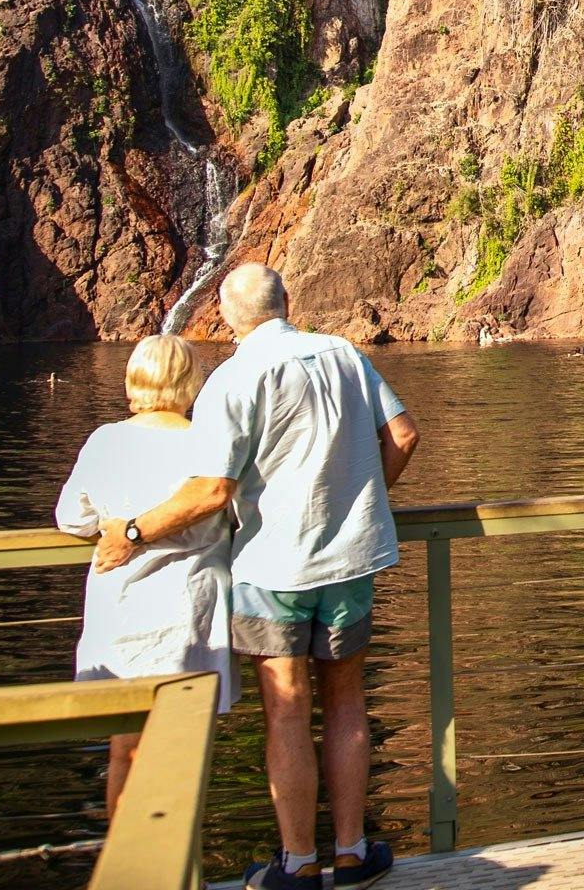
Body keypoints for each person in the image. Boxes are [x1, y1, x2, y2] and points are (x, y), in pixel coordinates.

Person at [95, 264, 420, 889]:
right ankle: (352, 855)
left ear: (225, 316)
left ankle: (298, 865)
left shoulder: (232, 379)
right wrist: (363, 501)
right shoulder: (345, 354)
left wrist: (133, 531)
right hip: (351, 560)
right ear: (287, 302)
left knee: (287, 711)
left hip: (273, 566)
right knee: (347, 700)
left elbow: (212, 490)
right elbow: (403, 435)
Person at [55, 334, 237, 816]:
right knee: (183, 750)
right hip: (189, 609)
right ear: (191, 382)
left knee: (126, 748)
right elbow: (236, 514)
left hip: (122, 608)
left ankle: (127, 865)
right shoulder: (207, 442)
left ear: (134, 378)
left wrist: (115, 525)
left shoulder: (106, 441)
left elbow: (71, 519)